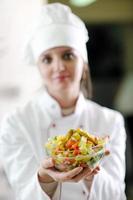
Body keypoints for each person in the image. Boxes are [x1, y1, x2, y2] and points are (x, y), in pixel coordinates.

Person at [0, 3, 126, 200]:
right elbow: (22, 194)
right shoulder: (16, 123)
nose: (59, 67)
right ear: (38, 67)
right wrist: (45, 178)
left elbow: (117, 195)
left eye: (68, 55)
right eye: (47, 59)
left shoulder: (111, 121)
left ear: (83, 63)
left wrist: (93, 169)